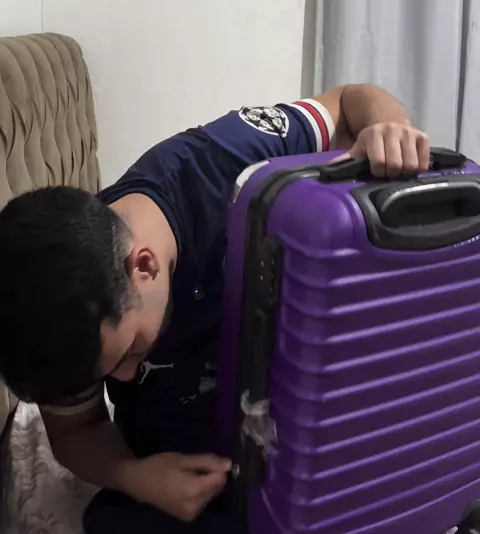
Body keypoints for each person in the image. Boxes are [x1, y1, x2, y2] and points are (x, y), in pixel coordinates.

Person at [0, 84, 429, 533]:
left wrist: (389, 129)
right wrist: (138, 478)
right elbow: (73, 431)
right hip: (190, 463)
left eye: (130, 352)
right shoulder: (46, 318)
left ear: (143, 265)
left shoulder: (219, 163)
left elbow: (348, 103)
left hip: (310, 418)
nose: (123, 378)